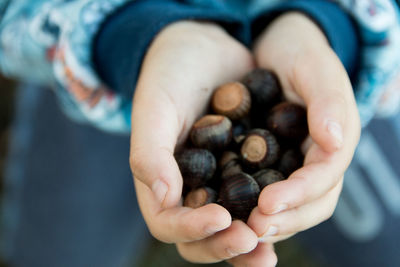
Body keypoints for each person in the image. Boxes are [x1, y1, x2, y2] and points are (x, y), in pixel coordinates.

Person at [0, 0, 399, 266]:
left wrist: (332, 23)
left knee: (388, 243)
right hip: (90, 73)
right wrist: (125, 35)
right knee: (61, 250)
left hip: (325, 61)